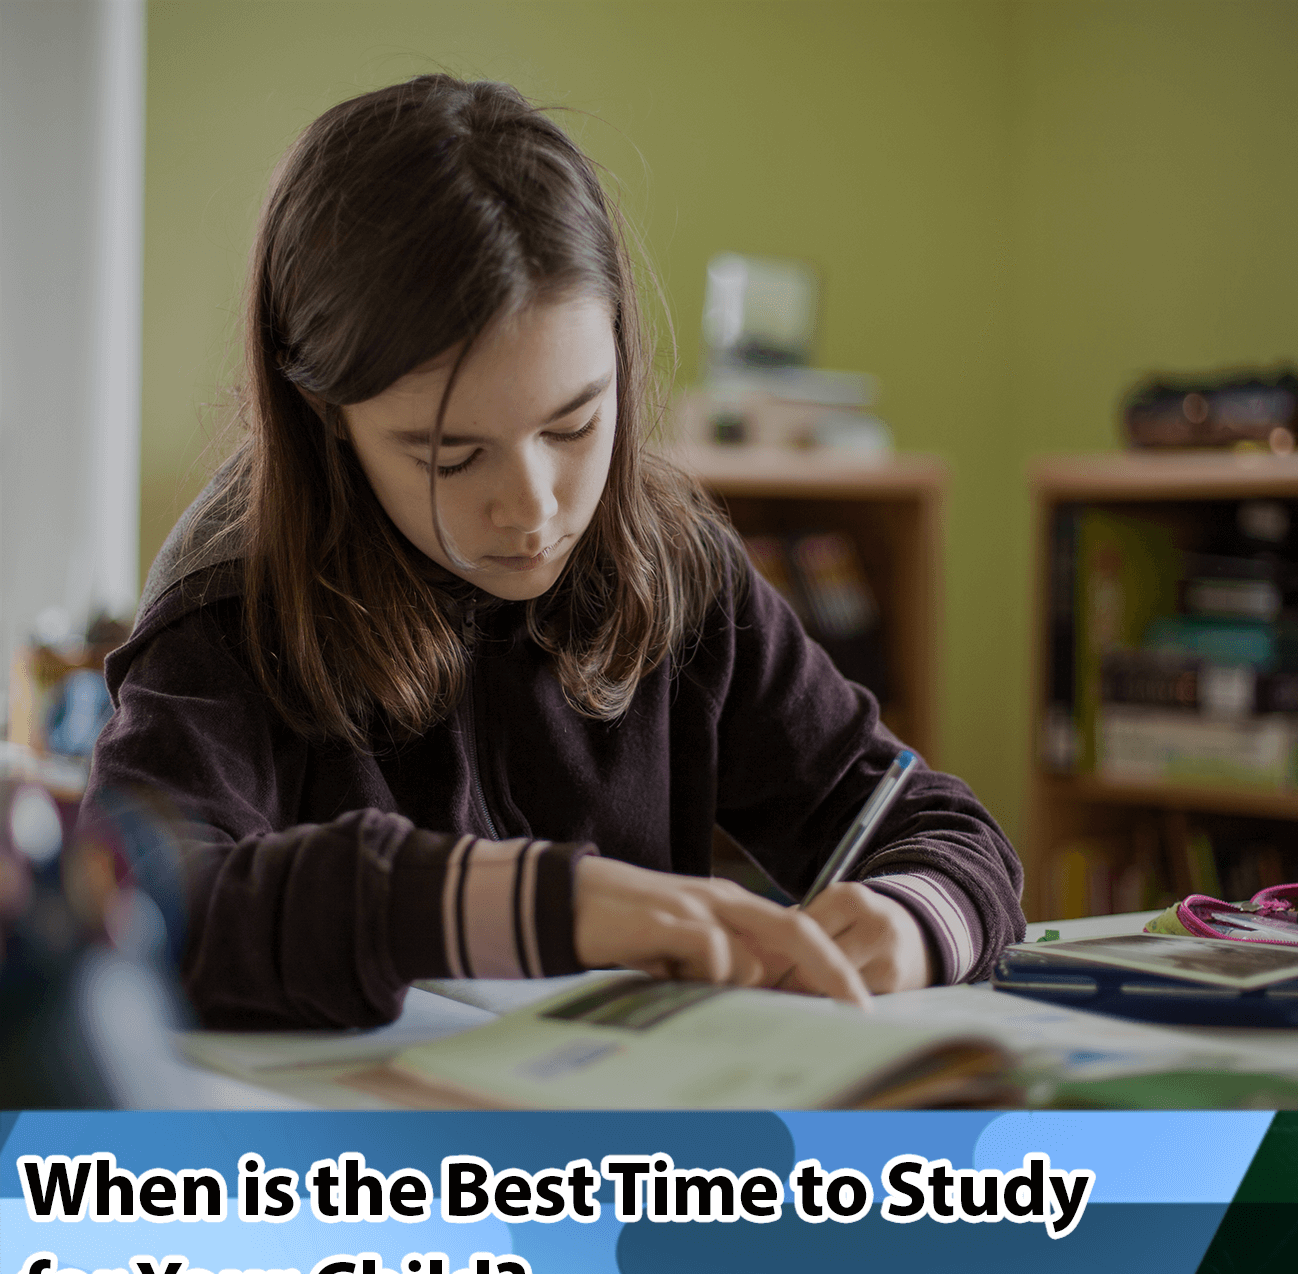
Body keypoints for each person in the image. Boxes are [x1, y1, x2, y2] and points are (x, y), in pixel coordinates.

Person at [83, 75, 1025, 1030]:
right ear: (326, 417)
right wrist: (517, 905)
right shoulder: (228, 603)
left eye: (575, 425)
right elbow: (139, 911)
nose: (531, 510)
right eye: (452, 455)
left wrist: (908, 918)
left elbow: (941, 829)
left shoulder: (675, 569)